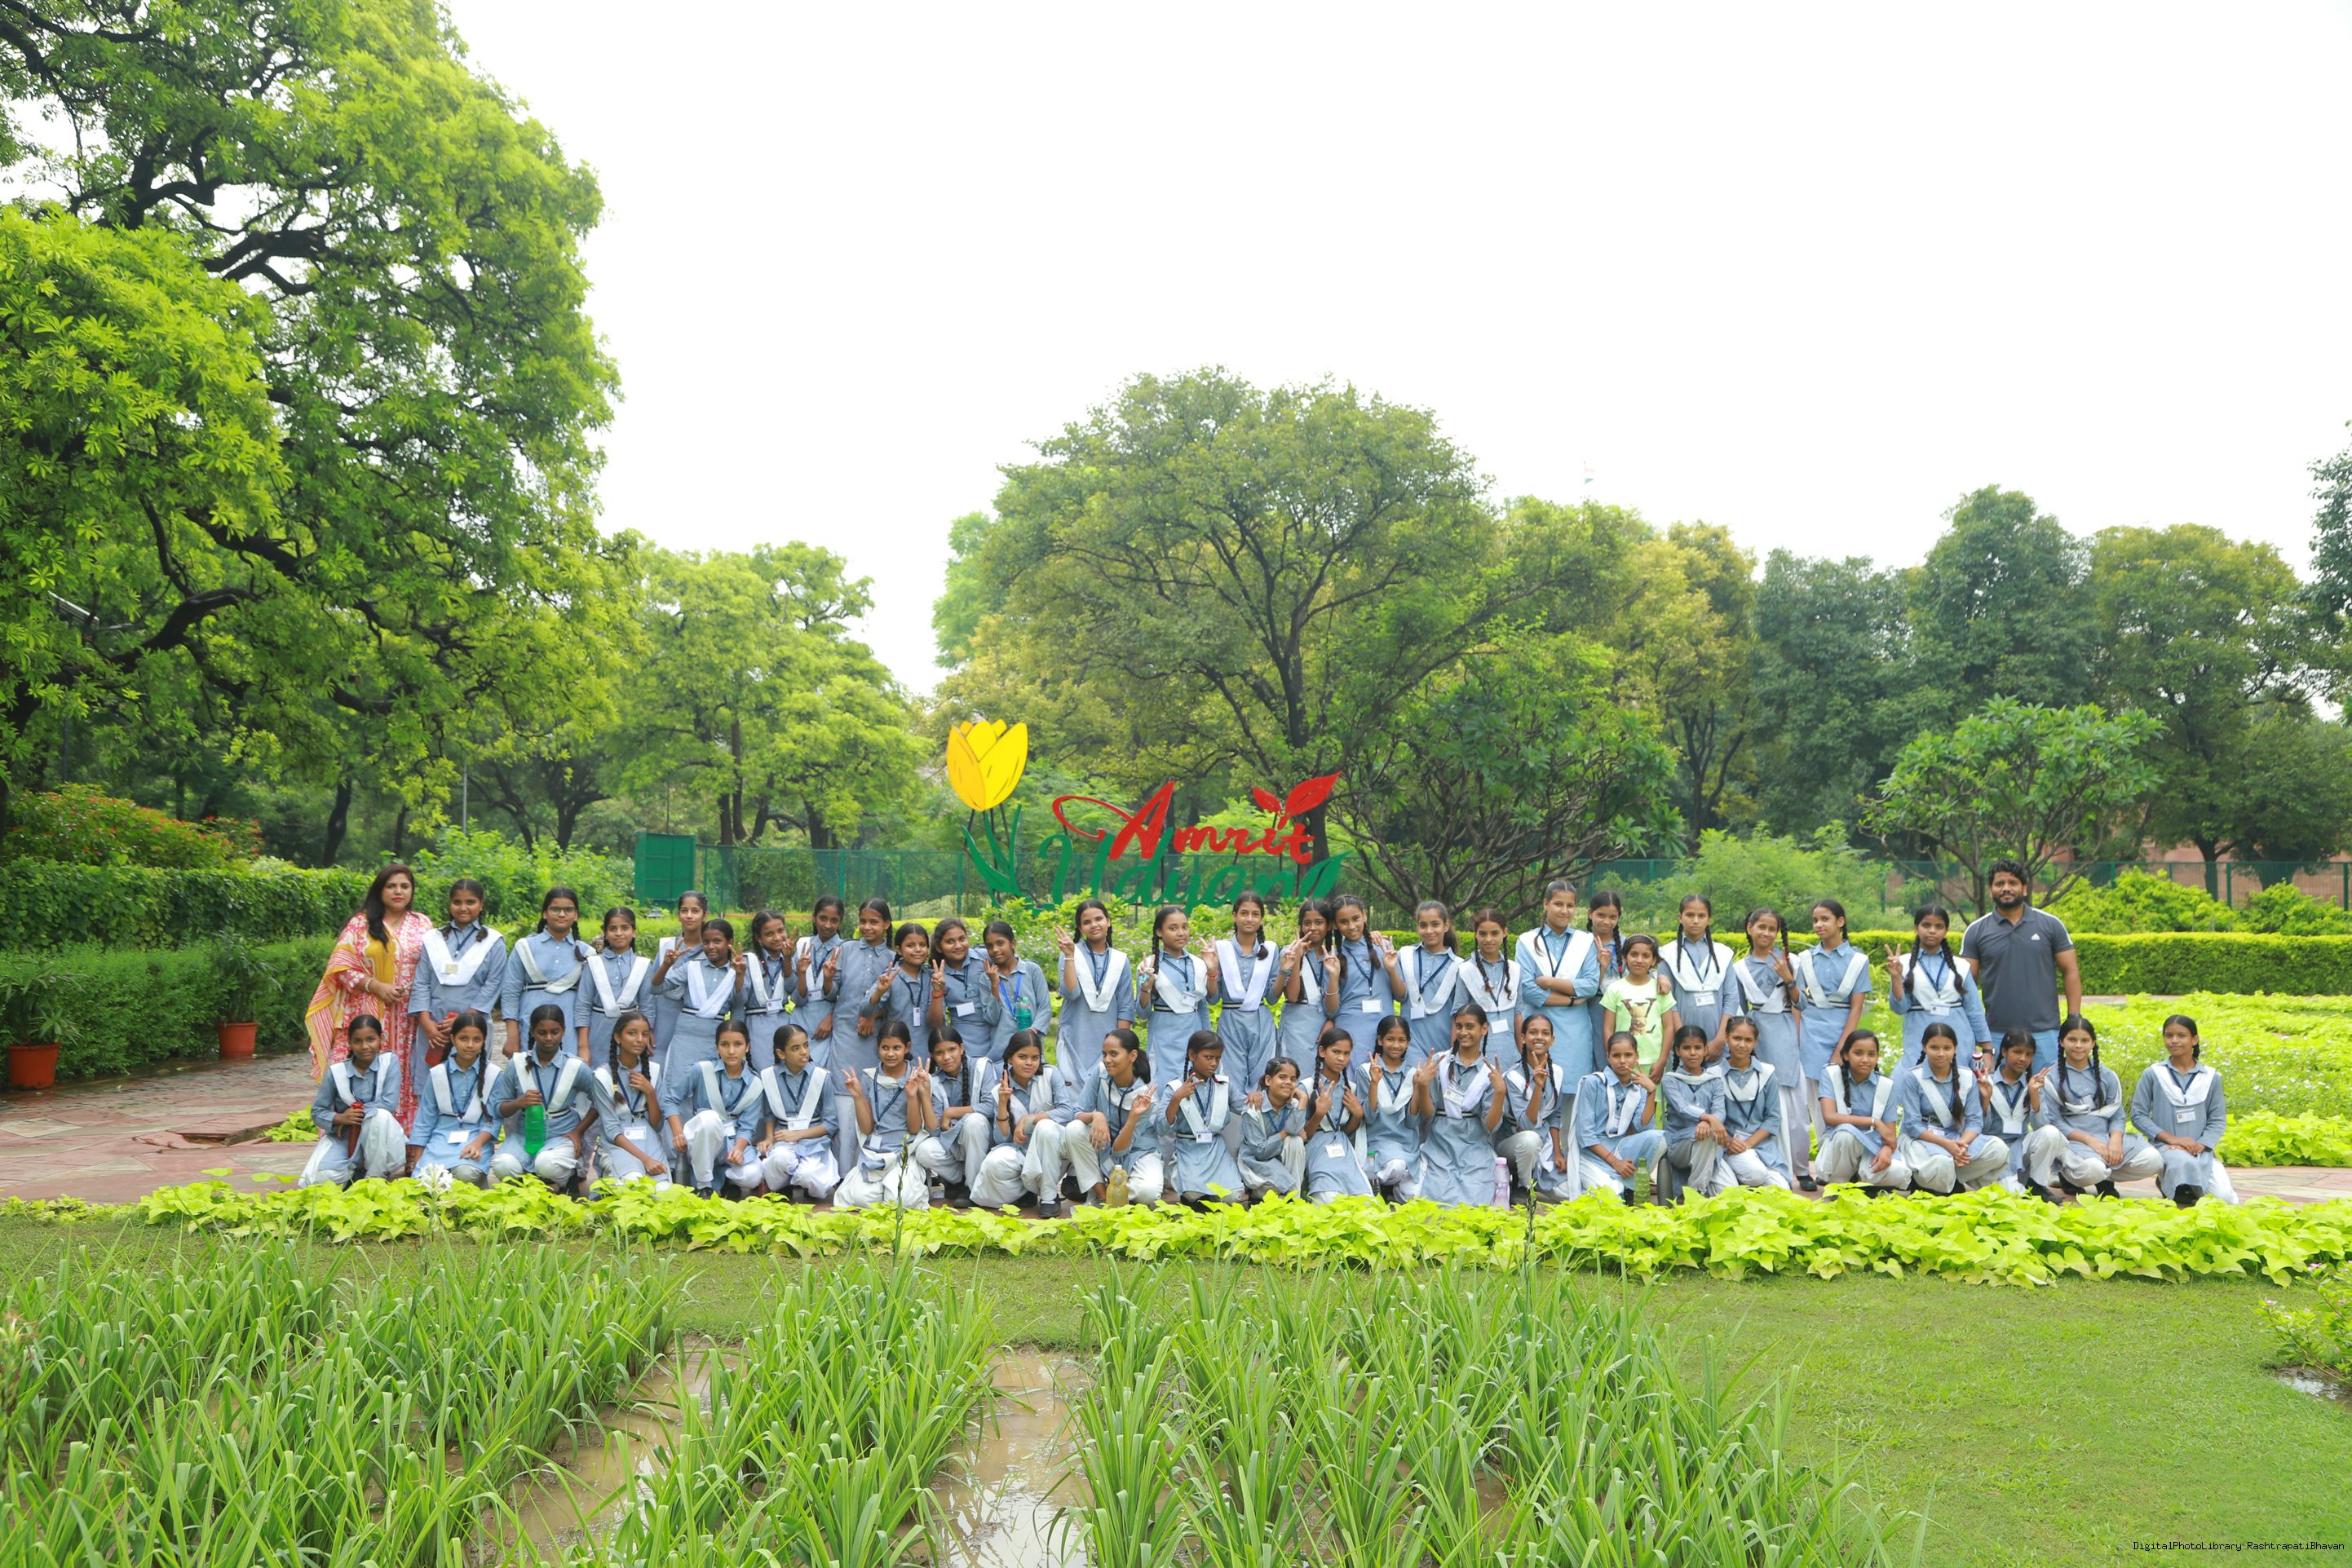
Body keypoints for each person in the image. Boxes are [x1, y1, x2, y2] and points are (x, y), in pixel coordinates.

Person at [303, 863, 431, 1124]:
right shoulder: (360, 924)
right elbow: (340, 967)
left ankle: (404, 1135)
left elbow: (432, 967)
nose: (398, 891)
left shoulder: (423, 924)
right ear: (380, 890)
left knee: (405, 1071)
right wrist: (376, 986)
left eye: (405, 886)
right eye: (391, 886)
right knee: (362, 1067)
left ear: (412, 891)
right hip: (366, 1010)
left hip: (408, 1017)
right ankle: (352, 1132)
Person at [1961, 859, 2083, 1074]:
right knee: (1995, 1092)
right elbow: (1966, 984)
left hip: (2045, 1032)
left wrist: (2074, 1019)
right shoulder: (1976, 931)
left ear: (2024, 889)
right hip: (1996, 1034)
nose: (2006, 888)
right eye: (1999, 884)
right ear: (1991, 890)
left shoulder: (2050, 925)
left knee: (2046, 1091)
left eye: (2013, 883)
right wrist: (1973, 1030)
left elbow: (2070, 971)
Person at [1724, 908, 1815, 1190]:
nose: (1766, 933)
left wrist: (1788, 978)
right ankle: (1771, 1163)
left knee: (1795, 1109)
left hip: (1785, 1032)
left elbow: (1802, 1003)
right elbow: (1738, 1009)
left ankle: (1801, 1169)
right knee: (1764, 1102)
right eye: (1761, 927)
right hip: (1757, 1033)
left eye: (1772, 929)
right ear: (1749, 928)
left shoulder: (1792, 961)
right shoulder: (1739, 968)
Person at [2024, 1014, 2160, 1199]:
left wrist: (2115, 1141)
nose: (2078, 1045)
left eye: (2084, 1040)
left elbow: (2117, 1115)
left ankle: (2105, 1178)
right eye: (2072, 1040)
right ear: (2062, 1042)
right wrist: (2090, 1141)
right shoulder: (2051, 1077)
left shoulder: (2107, 1075)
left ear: (2093, 1043)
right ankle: (2069, 1176)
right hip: (2073, 1142)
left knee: (2153, 1160)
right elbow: (2054, 1122)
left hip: (2105, 1137)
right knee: (2093, 1170)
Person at [2128, 1014, 2239, 1207]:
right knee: (2182, 1164)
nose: (2174, 1041)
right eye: (2169, 1036)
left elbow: (2217, 1119)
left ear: (2194, 1040)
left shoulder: (2210, 1076)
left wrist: (2201, 1145)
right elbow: (2138, 1115)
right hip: (2167, 1147)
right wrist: (2172, 1139)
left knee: (2225, 1199)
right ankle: (2174, 1185)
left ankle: (2182, 1185)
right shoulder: (2154, 1074)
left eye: (2181, 1036)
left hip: (2201, 1151)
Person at [408, 877, 506, 1089]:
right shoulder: (433, 939)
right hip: (435, 1026)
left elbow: (493, 985)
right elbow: (421, 982)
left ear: (481, 905)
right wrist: (426, 1023)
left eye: (470, 902)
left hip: (473, 1025)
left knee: (469, 1085)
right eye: (457, 902)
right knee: (431, 1086)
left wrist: (464, 1020)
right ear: (450, 904)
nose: (463, 908)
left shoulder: (493, 942)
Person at [489, 1003, 599, 1191]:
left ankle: (568, 1178)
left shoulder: (575, 1066)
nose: (548, 1038)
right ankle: (525, 1190)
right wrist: (519, 1103)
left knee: (547, 1164)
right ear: (532, 1032)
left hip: (562, 1134)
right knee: (502, 1165)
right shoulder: (517, 1064)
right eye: (542, 1033)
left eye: (554, 1032)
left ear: (563, 1031)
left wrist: (578, 1131)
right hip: (525, 1135)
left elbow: (600, 1101)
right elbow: (500, 1107)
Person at [826, 899, 900, 1171]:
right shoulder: (845, 949)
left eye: (874, 922)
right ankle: (842, 1172)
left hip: (874, 1038)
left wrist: (873, 1015)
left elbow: (895, 1003)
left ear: (887, 924)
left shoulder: (893, 958)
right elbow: (832, 993)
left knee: (868, 1096)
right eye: (863, 921)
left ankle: (866, 1169)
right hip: (845, 1033)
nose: (867, 927)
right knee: (842, 1098)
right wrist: (827, 978)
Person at [1411, 1002, 1506, 1208]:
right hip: (1441, 1140)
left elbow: (1490, 1126)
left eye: (1470, 1027)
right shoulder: (1440, 1062)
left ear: (1484, 1029)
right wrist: (1423, 1086)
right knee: (1437, 1194)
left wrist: (1500, 1093)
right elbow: (1428, 1114)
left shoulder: (1489, 1071)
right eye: (1459, 1026)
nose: (1463, 1032)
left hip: (1474, 1142)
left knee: (1476, 1196)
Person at [1793, 902, 1872, 1149]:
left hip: (1843, 1035)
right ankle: (1826, 1156)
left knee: (1844, 1099)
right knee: (1816, 1102)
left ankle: (1843, 1153)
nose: (1819, 925)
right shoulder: (1806, 959)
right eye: (1815, 920)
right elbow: (1797, 1003)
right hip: (1811, 1036)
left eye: (1825, 919)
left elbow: (1856, 1007)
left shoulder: (1858, 960)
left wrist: (1841, 1049)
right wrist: (1797, 1039)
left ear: (1840, 922)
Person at [1894, 1023, 2007, 1194]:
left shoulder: (1967, 1076)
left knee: (1998, 1150)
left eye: (1947, 1048)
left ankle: (1950, 1180)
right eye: (1934, 1047)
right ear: (1924, 1048)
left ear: (1955, 1049)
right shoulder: (1913, 1077)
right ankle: (1935, 1182)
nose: (1941, 1053)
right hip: (1923, 1139)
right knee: (1941, 1162)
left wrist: (1962, 1144)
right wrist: (1948, 1145)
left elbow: (1975, 1121)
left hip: (1957, 1138)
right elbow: (1913, 1125)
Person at [298, 1012, 408, 1187]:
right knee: (321, 1179)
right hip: (345, 1138)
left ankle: (375, 1179)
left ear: (381, 1039)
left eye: (371, 1039)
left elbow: (389, 1103)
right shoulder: (336, 1072)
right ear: (349, 1043)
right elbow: (318, 1112)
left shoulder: (389, 1062)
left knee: (380, 1116)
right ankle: (355, 1172)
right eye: (357, 1041)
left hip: (380, 1136)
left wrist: (356, 1115)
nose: (365, 1046)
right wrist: (340, 1118)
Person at [833, 1018, 931, 1211]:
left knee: (899, 1200)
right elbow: (867, 1128)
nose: (891, 1053)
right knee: (862, 1199)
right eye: (885, 1048)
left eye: (897, 1048)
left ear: (907, 1047)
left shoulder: (916, 1076)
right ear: (878, 1048)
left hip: (905, 1148)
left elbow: (914, 1129)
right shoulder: (869, 1076)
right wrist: (858, 1097)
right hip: (875, 1149)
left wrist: (912, 1096)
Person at [969, 1031, 1072, 1212]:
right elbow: (1002, 1139)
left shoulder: (1050, 1075)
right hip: (1020, 1153)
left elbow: (1067, 1111)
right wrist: (1002, 1104)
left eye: (1035, 1058)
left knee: (1046, 1127)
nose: (1029, 1063)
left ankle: (1049, 1196)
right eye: (1022, 1057)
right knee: (994, 1163)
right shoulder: (999, 1089)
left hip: (1051, 1153)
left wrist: (1029, 1120)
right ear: (1010, 1058)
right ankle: (1024, 1193)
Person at [655, 918, 741, 1129]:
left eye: (717, 941)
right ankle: (676, 1144)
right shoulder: (691, 968)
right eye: (706, 942)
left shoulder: (736, 972)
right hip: (684, 1040)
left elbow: (740, 1005)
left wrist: (740, 975)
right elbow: (656, 988)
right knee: (676, 1091)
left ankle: (704, 1144)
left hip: (713, 1042)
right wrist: (666, 965)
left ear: (730, 943)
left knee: (708, 1093)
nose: (711, 947)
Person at [1886, 905, 1992, 1076]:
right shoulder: (1903, 964)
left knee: (1959, 1081)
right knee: (1917, 1079)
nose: (1932, 931)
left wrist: (1987, 1050)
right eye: (1926, 925)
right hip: (1919, 1037)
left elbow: (1974, 1010)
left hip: (1959, 1037)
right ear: (1916, 928)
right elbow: (1900, 1008)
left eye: (1939, 926)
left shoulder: (1961, 966)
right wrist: (1896, 977)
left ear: (1946, 931)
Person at [1517, 881, 1601, 1081]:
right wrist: (1571, 1000)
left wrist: (1549, 983)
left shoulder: (1584, 941)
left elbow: (1591, 985)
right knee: (1536, 1088)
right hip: (1537, 1028)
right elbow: (1527, 989)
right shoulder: (1527, 941)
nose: (1564, 911)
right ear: (1546, 904)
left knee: (1573, 1090)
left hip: (1575, 1032)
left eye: (1570, 906)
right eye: (1558, 904)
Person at [674, 1019, 769, 1198]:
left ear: (747, 1047)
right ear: (717, 1047)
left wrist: (739, 1149)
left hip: (732, 1143)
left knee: (753, 1176)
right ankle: (704, 1186)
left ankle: (726, 1181)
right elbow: (671, 1099)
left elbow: (747, 1127)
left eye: (738, 1044)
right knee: (709, 1118)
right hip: (702, 1141)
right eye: (725, 1045)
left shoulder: (755, 1083)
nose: (731, 1051)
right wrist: (678, 1133)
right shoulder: (701, 1070)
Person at [1071, 1027, 1165, 1207]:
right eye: (1104, 1054)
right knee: (1074, 1130)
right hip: (1105, 1146)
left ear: (1132, 1056)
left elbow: (1120, 1150)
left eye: (1114, 1054)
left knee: (1148, 1192)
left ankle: (1116, 1192)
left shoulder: (1145, 1096)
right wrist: (1096, 1116)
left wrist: (1133, 1118)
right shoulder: (1101, 1074)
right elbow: (1077, 1112)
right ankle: (1102, 1195)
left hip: (1139, 1152)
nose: (1107, 1060)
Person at [1568, 1031, 1665, 1202]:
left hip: (1621, 1148)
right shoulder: (1594, 1083)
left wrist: (1651, 1092)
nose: (1622, 1061)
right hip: (1594, 1154)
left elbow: (1644, 1127)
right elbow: (1585, 1134)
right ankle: (1623, 1187)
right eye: (1616, 1056)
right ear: (1608, 1056)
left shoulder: (1638, 1088)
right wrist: (1614, 1162)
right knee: (1609, 1199)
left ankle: (1631, 1185)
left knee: (1660, 1139)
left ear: (1637, 1056)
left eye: (1628, 1055)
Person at [409, 1008, 499, 1187]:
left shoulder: (493, 1074)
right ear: (452, 1039)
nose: (470, 1045)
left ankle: (476, 1185)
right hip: (440, 1140)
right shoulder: (438, 1074)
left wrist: (478, 1144)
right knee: (427, 1181)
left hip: (475, 1138)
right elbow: (424, 1120)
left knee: (465, 1173)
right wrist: (418, 1165)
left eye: (477, 1040)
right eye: (463, 1038)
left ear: (484, 1041)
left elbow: (493, 1119)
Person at [502, 886, 592, 1062]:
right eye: (555, 909)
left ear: (576, 915)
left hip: (569, 1028)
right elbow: (510, 993)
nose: (562, 914)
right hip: (530, 1023)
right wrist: (512, 1036)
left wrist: (583, 1046)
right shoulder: (525, 947)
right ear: (545, 913)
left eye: (568, 910)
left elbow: (587, 1002)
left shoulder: (587, 953)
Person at [1815, 1029, 1909, 1193]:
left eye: (1871, 1054)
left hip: (1872, 1146)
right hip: (1839, 1145)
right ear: (1846, 1055)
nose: (1865, 1059)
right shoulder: (1831, 1075)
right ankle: (1840, 1185)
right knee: (1846, 1134)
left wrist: (1887, 1151)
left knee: (1898, 1172)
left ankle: (1861, 1179)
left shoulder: (1886, 1085)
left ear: (1877, 1057)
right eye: (1858, 1053)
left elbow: (1890, 1136)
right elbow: (1829, 1117)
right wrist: (1874, 1122)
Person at [1056, 899, 1134, 1094]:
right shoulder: (1071, 953)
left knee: (1106, 1095)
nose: (1094, 925)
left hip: (1109, 1039)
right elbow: (1071, 993)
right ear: (1080, 928)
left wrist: (1122, 1046)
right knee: (1073, 1097)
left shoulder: (1120, 960)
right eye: (1086, 922)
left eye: (1099, 919)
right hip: (1075, 1036)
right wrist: (1069, 956)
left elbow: (1125, 1006)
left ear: (1108, 921)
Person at [758, 1022, 841, 1202]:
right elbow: (769, 1113)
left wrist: (798, 1134)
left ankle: (804, 1185)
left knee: (809, 1176)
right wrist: (770, 1138)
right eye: (796, 1048)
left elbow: (831, 1124)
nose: (804, 1052)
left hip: (814, 1141)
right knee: (779, 1159)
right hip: (783, 1139)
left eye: (806, 1045)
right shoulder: (769, 1076)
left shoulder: (822, 1076)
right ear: (781, 1054)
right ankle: (782, 1187)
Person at [591, 1009, 671, 1192]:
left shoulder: (654, 1070)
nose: (640, 1040)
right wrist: (646, 1160)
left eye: (645, 1034)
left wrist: (650, 1092)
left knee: (663, 1191)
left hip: (648, 1138)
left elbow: (657, 1125)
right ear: (618, 1038)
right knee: (634, 1182)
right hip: (619, 1143)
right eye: (632, 1033)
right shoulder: (602, 1076)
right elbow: (612, 1130)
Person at [1165, 1031, 1247, 1206]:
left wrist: (1255, 1098)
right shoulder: (1176, 1087)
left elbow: (1245, 1107)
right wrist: (1176, 1099)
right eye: (1208, 1057)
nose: (1214, 1064)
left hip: (1215, 1149)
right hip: (1188, 1148)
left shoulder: (1224, 1085)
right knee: (1192, 1194)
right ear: (1192, 1055)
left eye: (1217, 1058)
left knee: (1233, 1196)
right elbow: (1160, 1126)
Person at [1211, 892, 1281, 1093]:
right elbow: (1213, 998)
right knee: (1231, 1080)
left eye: (1255, 914)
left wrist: (1284, 970)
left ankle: (1259, 1115)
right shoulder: (1221, 949)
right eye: (1244, 913)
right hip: (1231, 1021)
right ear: (1234, 916)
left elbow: (1272, 998)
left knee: (1263, 1081)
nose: (1249, 919)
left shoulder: (1270, 950)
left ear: (1261, 919)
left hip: (1261, 1020)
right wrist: (1211, 970)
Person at [912, 1023, 988, 1204]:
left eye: (952, 1049)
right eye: (939, 1053)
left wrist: (951, 1112)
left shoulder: (981, 1067)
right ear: (932, 1056)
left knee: (974, 1122)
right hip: (955, 1147)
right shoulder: (936, 1081)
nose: (946, 1057)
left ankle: (973, 1189)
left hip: (984, 1140)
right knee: (924, 1150)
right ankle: (961, 1181)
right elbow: (934, 1131)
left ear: (962, 1048)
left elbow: (991, 1106)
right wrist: (924, 1093)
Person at [1498, 1014, 1572, 1204]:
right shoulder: (1513, 1077)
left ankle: (1538, 1181)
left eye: (1545, 1033)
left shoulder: (1557, 1072)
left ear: (1552, 1040)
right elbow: (1526, 1124)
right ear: (1523, 1038)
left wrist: (1558, 1153)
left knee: (1572, 1194)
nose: (1539, 1037)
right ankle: (1522, 1185)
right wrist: (1538, 1087)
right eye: (1533, 1032)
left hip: (1545, 1142)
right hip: (1515, 1144)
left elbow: (1554, 1116)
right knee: (1530, 1140)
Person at [1716, 1016, 1794, 1190]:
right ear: (1726, 1037)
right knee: (1756, 1173)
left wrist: (1749, 1144)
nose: (1742, 1045)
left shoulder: (1767, 1073)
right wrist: (1729, 1141)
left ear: (1755, 1043)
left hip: (1761, 1146)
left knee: (1783, 1190)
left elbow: (1773, 1118)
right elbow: (1713, 1118)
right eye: (1737, 1038)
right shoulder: (1715, 1075)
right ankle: (1736, 1177)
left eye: (1748, 1040)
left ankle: (1746, 1183)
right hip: (1729, 1147)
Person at [1137, 906, 1212, 1085]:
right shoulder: (1149, 965)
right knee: (1164, 1084)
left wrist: (1209, 1040)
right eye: (1173, 928)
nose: (1181, 933)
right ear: (1159, 932)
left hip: (1193, 1032)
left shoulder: (1198, 964)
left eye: (1185, 927)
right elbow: (1142, 1013)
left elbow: (1202, 1006)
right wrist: (1146, 988)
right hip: (1164, 1035)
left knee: (1194, 1082)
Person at [1655, 1025, 1730, 1201]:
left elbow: (1720, 1111)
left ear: (1705, 1050)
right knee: (1708, 1135)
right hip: (1679, 1146)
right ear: (1677, 1051)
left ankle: (1695, 1190)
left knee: (1728, 1191)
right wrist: (1708, 1118)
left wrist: (1706, 1122)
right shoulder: (1670, 1079)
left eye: (1698, 1048)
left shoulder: (1714, 1080)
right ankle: (1695, 1195)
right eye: (1686, 1048)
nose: (1693, 1053)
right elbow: (1682, 1108)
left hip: (1709, 1145)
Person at [1328, 894, 1399, 1071]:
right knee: (1352, 1078)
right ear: (1335, 925)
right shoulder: (1333, 956)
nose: (1352, 926)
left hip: (1384, 1027)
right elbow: (1331, 1010)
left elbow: (1402, 996)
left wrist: (1391, 969)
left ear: (1365, 916)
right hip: (1351, 1029)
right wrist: (1333, 977)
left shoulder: (1383, 947)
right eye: (1344, 922)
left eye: (1356, 919)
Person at [1301, 1029, 1374, 1202]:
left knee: (1364, 1199)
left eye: (1347, 1053)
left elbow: (1347, 1131)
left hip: (1343, 1146)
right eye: (1336, 1052)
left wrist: (1357, 1115)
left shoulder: (1351, 1088)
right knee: (1328, 1197)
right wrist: (1319, 1114)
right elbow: (1303, 1135)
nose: (1342, 1058)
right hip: (1316, 1147)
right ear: (1322, 1051)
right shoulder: (1307, 1087)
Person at [1660, 895, 1734, 1060]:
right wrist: (1683, 1039)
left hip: (1717, 1035)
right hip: (1682, 1037)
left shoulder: (1723, 953)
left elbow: (1731, 997)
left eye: (1701, 916)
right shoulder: (1667, 954)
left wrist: (1721, 1038)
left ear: (1709, 919)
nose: (1695, 921)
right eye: (1690, 915)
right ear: (1680, 918)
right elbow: (1667, 1001)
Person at [581, 907, 656, 1071]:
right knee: (598, 1074)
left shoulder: (643, 965)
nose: (619, 933)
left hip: (631, 1033)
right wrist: (583, 1046)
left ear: (634, 932)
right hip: (598, 1031)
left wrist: (647, 1033)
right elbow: (583, 1006)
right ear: (606, 933)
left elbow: (647, 1006)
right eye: (613, 929)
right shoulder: (593, 964)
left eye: (625, 928)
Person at [1359, 1015, 1421, 1202]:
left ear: (1408, 1042)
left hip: (1407, 1145)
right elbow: (1369, 1118)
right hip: (1377, 1142)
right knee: (1396, 1166)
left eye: (1401, 1040)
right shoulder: (1365, 1071)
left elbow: (1412, 1122)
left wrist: (1418, 1087)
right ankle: (1378, 1183)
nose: (1396, 1045)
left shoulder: (1412, 1074)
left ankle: (1392, 1190)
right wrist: (1374, 1083)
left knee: (1415, 1197)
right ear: (1380, 1041)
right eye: (1390, 1039)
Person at [1400, 900, 1466, 1071]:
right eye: (1423, 925)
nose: (1429, 931)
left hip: (1442, 1044)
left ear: (1446, 926)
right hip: (1410, 1044)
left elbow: (1459, 1013)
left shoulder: (1460, 966)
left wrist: (1454, 1052)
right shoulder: (1405, 956)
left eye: (1435, 924)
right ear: (1417, 927)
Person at [1601, 934, 1677, 1080]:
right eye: (1634, 954)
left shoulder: (1661, 989)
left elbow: (1669, 1028)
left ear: (1653, 960)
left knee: (1652, 1094)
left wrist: (1662, 1061)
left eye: (1646, 956)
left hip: (1654, 1063)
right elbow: (1608, 1028)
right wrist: (1613, 1059)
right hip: (1623, 1063)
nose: (1639, 960)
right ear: (1625, 957)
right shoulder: (1614, 989)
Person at [929, 919, 1003, 1066]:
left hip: (995, 1032)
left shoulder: (984, 957)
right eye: (950, 942)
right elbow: (936, 1023)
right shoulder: (938, 974)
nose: (958, 946)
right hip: (965, 1040)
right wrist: (938, 991)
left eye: (962, 939)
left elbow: (1011, 963)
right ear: (939, 947)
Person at [1455, 907, 1521, 1069]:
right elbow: (1458, 1015)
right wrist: (1455, 1057)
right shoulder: (1466, 970)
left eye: (1495, 933)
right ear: (1475, 934)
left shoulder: (1514, 969)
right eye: (1483, 934)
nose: (1488, 939)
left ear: (1505, 933)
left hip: (1510, 1055)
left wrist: (1522, 1053)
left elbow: (1518, 1014)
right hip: (1477, 1056)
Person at [1275, 899, 1337, 1070]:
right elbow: (1292, 996)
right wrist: (1297, 958)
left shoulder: (1334, 955)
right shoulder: (1289, 952)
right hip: (1297, 1026)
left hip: (1323, 1025)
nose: (1313, 928)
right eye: (1307, 923)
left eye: (1319, 922)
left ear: (1328, 925)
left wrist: (1331, 1022)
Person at [1238, 1055, 1309, 1201]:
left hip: (1282, 1160)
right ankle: (1289, 1196)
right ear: (1268, 1080)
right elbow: (1260, 1152)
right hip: (1257, 1163)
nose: (1288, 1082)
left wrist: (1304, 1099)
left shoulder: (1295, 1105)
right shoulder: (1253, 1108)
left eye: (1293, 1079)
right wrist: (1285, 1132)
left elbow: (1295, 1132)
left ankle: (1294, 1198)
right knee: (1274, 1186)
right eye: (1282, 1077)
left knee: (1295, 1141)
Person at [1978, 1030, 2040, 1194]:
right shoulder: (1987, 1082)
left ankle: (2039, 1184)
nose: (2023, 1058)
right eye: (2017, 1052)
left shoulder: (2033, 1084)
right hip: (1994, 1147)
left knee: (2051, 1134)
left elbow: (2041, 1126)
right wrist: (1986, 1100)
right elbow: (1981, 1128)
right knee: (2014, 1193)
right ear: (2004, 1052)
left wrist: (2034, 1095)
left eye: (2029, 1054)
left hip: (2021, 1144)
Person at [979, 919, 1049, 1064]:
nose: (995, 950)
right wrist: (994, 985)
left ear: (1012, 943)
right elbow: (992, 1019)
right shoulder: (986, 978)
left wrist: (1032, 1032)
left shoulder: (1031, 970)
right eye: (989, 946)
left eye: (1000, 943)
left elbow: (1044, 1007)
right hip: (1001, 1056)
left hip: (1031, 1052)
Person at [650, 890, 710, 1053]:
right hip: (663, 1020)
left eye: (695, 911)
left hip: (695, 1023)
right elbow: (650, 990)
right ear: (678, 915)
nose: (689, 916)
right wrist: (647, 1026)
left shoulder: (710, 951)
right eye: (684, 911)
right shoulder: (667, 946)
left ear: (705, 915)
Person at [739, 909, 797, 1071]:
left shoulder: (791, 958)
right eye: (769, 934)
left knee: (787, 1070)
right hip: (758, 1024)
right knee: (764, 1071)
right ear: (759, 938)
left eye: (781, 931)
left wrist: (787, 959)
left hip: (783, 1021)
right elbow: (740, 998)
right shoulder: (749, 961)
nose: (777, 937)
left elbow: (793, 989)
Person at [794, 894, 847, 1060]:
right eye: (823, 918)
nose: (827, 925)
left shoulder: (845, 949)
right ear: (814, 917)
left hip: (828, 1021)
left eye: (834, 920)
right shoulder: (802, 945)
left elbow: (848, 995)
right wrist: (800, 974)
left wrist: (832, 1018)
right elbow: (795, 994)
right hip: (800, 1019)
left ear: (840, 922)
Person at [878, 921, 937, 1061]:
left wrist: (938, 991)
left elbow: (937, 1023)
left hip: (926, 1056)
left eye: (922, 945)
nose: (918, 949)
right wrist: (878, 993)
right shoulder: (891, 977)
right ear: (899, 950)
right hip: (896, 1057)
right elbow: (866, 1009)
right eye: (911, 945)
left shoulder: (932, 977)